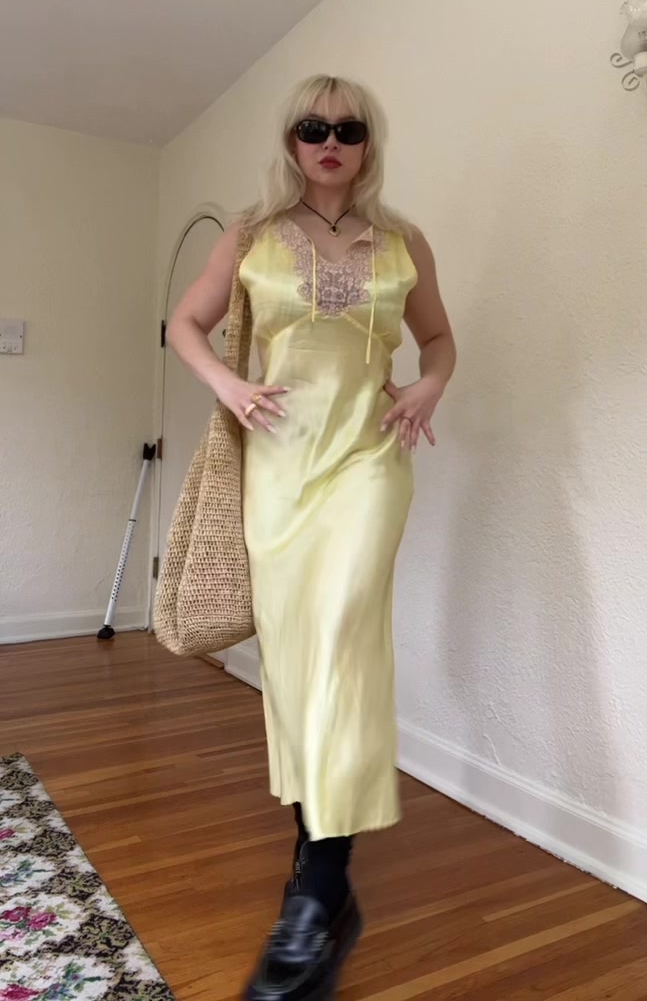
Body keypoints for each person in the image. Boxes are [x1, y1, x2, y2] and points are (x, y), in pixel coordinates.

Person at [167, 75, 455, 1000]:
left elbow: (439, 341)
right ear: (291, 139)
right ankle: (317, 867)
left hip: (369, 459)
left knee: (340, 637)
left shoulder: (404, 242)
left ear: (370, 142)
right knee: (295, 659)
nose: (330, 140)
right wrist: (228, 384)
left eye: (349, 127)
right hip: (279, 468)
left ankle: (321, 887)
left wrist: (427, 386)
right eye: (312, 125)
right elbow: (186, 322)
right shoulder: (250, 234)